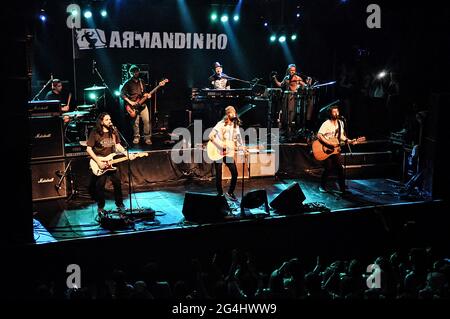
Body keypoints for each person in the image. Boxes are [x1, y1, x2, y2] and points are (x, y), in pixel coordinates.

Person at [86, 112, 126, 215]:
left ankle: (120, 205)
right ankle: (100, 207)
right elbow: (89, 149)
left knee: (117, 183)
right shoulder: (95, 132)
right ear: (101, 121)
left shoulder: (113, 131)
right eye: (107, 120)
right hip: (99, 161)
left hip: (111, 161)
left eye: (110, 119)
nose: (110, 121)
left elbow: (117, 145)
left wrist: (127, 153)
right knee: (100, 186)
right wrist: (98, 162)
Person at [208, 106, 243, 201]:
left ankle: (230, 192)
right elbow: (210, 136)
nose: (234, 114)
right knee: (219, 174)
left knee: (235, 173)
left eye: (235, 112)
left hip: (227, 152)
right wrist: (220, 145)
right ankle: (220, 194)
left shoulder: (235, 125)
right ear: (228, 114)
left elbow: (238, 138)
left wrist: (241, 147)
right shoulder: (220, 124)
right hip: (218, 150)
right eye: (232, 112)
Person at [316, 105, 348, 194]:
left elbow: (341, 136)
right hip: (326, 149)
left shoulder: (341, 123)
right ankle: (322, 186)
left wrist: (349, 141)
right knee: (328, 168)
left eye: (337, 111)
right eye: (334, 112)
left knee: (340, 168)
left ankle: (342, 189)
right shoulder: (326, 123)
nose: (336, 113)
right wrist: (328, 143)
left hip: (336, 149)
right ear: (330, 114)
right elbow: (319, 135)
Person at [272, 64, 312, 134]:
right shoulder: (286, 78)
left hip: (293, 96)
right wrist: (275, 79)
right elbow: (281, 85)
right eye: (291, 70)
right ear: (288, 70)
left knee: (291, 112)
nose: (292, 72)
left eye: (294, 70)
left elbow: (304, 85)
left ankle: (290, 128)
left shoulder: (297, 78)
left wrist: (308, 83)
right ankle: (285, 129)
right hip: (286, 96)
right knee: (285, 112)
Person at [121, 65, 152, 145]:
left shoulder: (142, 81)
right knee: (135, 123)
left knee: (146, 121)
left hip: (143, 105)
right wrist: (130, 102)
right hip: (133, 106)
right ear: (130, 73)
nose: (136, 73)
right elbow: (122, 94)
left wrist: (147, 95)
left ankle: (147, 138)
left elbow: (144, 92)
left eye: (137, 71)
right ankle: (136, 137)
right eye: (134, 72)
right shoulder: (128, 83)